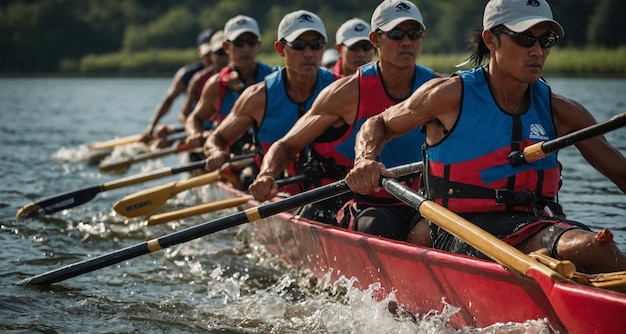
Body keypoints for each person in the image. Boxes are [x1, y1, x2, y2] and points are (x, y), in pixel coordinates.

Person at [349, 0, 626, 273]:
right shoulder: (448, 96)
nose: (537, 51)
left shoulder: (560, 110)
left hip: (534, 224)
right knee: (592, 248)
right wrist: (364, 160)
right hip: (459, 228)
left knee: (594, 251)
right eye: (525, 38)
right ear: (491, 39)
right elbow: (379, 123)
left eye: (546, 40)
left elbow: (620, 173)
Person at [249, 0, 438, 240]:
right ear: (376, 40)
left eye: (415, 33)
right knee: (381, 228)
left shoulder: (438, 90)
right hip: (370, 205)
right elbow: (287, 145)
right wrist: (266, 175)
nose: (406, 41)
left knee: (436, 233)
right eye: (396, 34)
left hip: (423, 202)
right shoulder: (347, 93)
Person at [202, 10, 337, 192]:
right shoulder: (258, 96)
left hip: (330, 188)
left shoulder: (341, 88)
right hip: (274, 187)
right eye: (298, 45)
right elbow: (217, 138)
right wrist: (216, 152)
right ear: (280, 49)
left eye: (316, 44)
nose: (308, 53)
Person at [185, 15, 275, 154]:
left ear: (258, 45)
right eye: (239, 43)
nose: (246, 49)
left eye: (251, 42)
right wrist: (195, 134)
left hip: (264, 154)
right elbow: (194, 118)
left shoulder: (273, 78)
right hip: (228, 155)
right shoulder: (216, 84)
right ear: (226, 47)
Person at [140, 29, 217, 144]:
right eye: (208, 54)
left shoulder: (233, 74)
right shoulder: (189, 76)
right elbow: (168, 100)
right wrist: (151, 128)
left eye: (217, 53)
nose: (212, 58)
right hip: (196, 127)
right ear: (199, 52)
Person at [178, 30, 230, 129]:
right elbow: (184, 114)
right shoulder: (198, 80)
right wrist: (193, 132)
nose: (224, 58)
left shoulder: (247, 76)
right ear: (211, 55)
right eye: (220, 53)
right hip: (205, 130)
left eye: (225, 53)